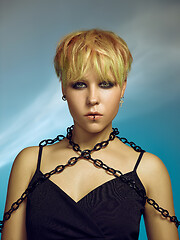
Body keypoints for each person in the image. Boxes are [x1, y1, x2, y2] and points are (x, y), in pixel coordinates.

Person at [1, 29, 179, 240]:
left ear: (122, 88)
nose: (92, 98)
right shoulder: (30, 163)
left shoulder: (149, 170)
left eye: (105, 84)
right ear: (64, 89)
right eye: (79, 84)